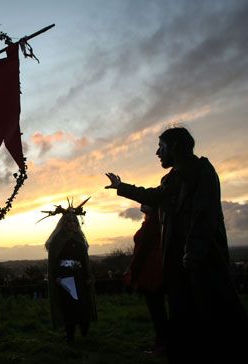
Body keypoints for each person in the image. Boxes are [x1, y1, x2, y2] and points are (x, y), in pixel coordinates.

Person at [105, 126, 248, 363]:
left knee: (215, 320)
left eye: (161, 147)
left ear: (177, 147)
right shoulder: (171, 179)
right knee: (184, 322)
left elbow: (204, 216)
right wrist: (121, 187)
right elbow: (153, 196)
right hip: (178, 265)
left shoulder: (203, 172)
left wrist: (192, 256)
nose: (157, 153)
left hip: (202, 262)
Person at [45, 205, 97, 342]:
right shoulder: (57, 241)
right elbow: (54, 262)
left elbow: (84, 261)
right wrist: (57, 277)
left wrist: (88, 276)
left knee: (83, 305)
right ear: (63, 223)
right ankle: (70, 335)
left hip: (80, 278)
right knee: (69, 307)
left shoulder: (80, 240)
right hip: (65, 279)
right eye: (69, 221)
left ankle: (85, 331)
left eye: (75, 221)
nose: (72, 224)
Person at [124, 204, 167, 355]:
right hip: (156, 269)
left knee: (157, 310)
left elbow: (142, 252)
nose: (142, 204)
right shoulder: (156, 222)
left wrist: (132, 273)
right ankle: (163, 341)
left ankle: (162, 344)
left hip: (151, 271)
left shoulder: (152, 224)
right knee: (159, 309)